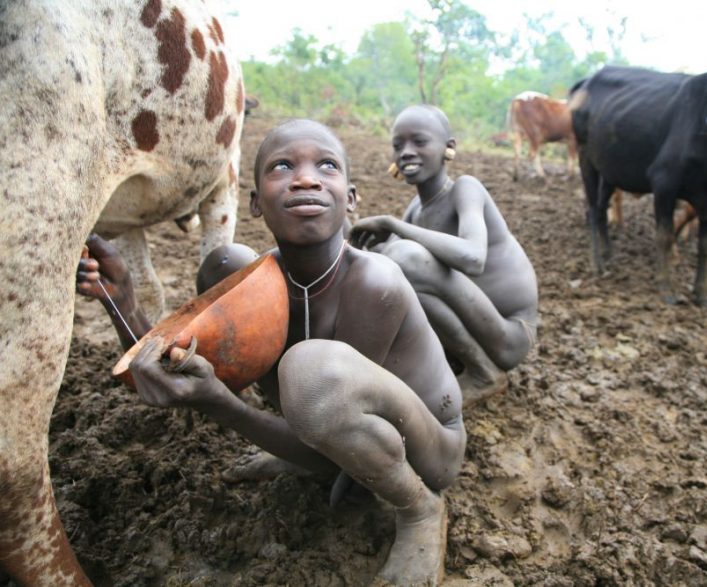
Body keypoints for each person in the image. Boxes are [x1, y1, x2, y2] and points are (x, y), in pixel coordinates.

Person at [76, 118, 466, 586]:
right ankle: (300, 445)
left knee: (308, 370)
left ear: (351, 199)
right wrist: (124, 302)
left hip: (427, 448)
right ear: (256, 203)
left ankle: (420, 509)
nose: (305, 178)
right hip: (328, 420)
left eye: (326, 165)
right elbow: (173, 372)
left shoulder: (373, 282)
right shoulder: (260, 282)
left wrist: (222, 404)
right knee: (226, 265)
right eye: (283, 166)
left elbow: (328, 448)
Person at [350, 104, 539, 407]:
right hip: (476, 326)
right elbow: (387, 264)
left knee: (407, 259)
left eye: (419, 142)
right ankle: (445, 363)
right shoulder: (415, 208)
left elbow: (473, 258)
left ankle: (483, 373)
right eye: (398, 146)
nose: (406, 152)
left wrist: (392, 224)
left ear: (448, 148)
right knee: (392, 265)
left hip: (509, 338)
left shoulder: (466, 189)